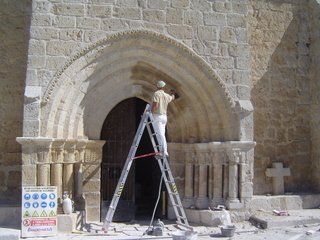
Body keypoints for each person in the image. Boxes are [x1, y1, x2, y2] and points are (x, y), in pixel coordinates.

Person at [151, 80, 176, 157]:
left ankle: (164, 151)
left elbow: (155, 105)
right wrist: (173, 93)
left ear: (157, 86)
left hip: (157, 116)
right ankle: (162, 150)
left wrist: (151, 111)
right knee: (161, 134)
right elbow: (172, 98)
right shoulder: (166, 95)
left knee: (159, 134)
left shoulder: (156, 94)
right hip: (164, 117)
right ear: (163, 87)